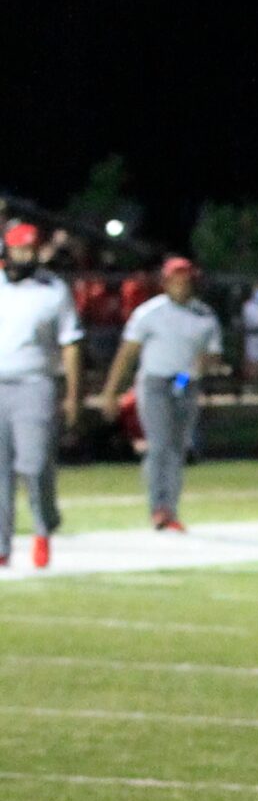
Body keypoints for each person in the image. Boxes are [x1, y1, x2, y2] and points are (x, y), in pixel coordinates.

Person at [97, 255, 224, 530]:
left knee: (178, 445)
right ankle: (159, 507)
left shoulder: (204, 315)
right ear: (165, 283)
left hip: (182, 379)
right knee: (160, 443)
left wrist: (206, 362)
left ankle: (171, 509)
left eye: (185, 280)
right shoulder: (149, 313)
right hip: (154, 380)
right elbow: (127, 353)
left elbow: (213, 354)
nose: (181, 285)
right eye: (175, 280)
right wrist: (111, 392)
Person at [0, 219, 84, 570]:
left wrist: (72, 395)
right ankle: (2, 544)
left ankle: (42, 528)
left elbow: (71, 345)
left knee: (33, 465)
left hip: (35, 384)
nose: (26, 255)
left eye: (31, 249)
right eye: (20, 248)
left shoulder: (53, 290)